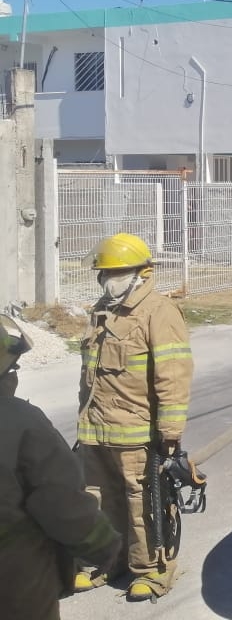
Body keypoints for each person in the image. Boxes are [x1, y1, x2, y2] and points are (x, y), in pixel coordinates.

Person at [75, 233, 193, 602]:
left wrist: (170, 430)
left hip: (136, 434)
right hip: (95, 432)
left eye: (113, 272)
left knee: (144, 506)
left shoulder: (159, 312)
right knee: (97, 500)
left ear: (141, 273)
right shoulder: (103, 308)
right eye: (103, 273)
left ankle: (152, 571)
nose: (106, 279)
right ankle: (104, 562)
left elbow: (173, 374)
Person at [0, 315, 122, 620]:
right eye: (12, 368)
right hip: (16, 584)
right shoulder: (21, 422)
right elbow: (61, 504)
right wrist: (105, 546)